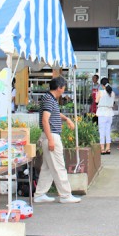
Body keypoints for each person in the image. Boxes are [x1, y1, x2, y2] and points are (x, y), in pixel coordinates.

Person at [34, 76, 81, 204]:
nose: (64, 90)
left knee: (48, 168)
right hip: (52, 135)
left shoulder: (49, 98)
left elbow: (53, 114)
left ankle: (39, 194)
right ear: (59, 87)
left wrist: (66, 119)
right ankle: (65, 195)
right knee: (59, 167)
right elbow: (45, 119)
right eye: (64, 87)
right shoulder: (50, 99)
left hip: (49, 135)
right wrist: (50, 140)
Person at [96, 77, 115, 155]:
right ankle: (108, 148)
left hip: (102, 113)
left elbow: (96, 101)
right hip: (109, 113)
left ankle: (102, 149)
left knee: (102, 131)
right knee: (108, 131)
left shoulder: (100, 92)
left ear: (102, 85)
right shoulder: (112, 93)